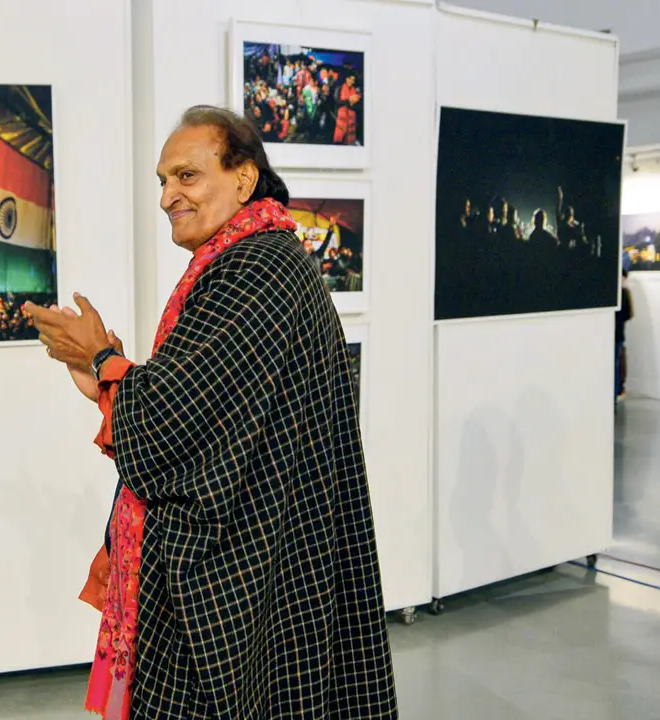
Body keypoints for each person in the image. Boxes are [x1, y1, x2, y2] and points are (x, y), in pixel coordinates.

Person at [23, 105, 397, 719]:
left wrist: (104, 359)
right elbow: (208, 407)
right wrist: (103, 372)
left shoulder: (255, 271)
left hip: (245, 560)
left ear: (244, 179)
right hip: (272, 541)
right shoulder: (255, 262)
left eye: (187, 176)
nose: (168, 195)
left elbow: (174, 422)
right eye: (163, 180)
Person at [616, 268, 633, 402]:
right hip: (619, 334)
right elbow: (628, 315)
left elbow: (628, 314)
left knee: (616, 365)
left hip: (617, 335)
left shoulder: (622, 293)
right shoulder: (624, 293)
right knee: (616, 365)